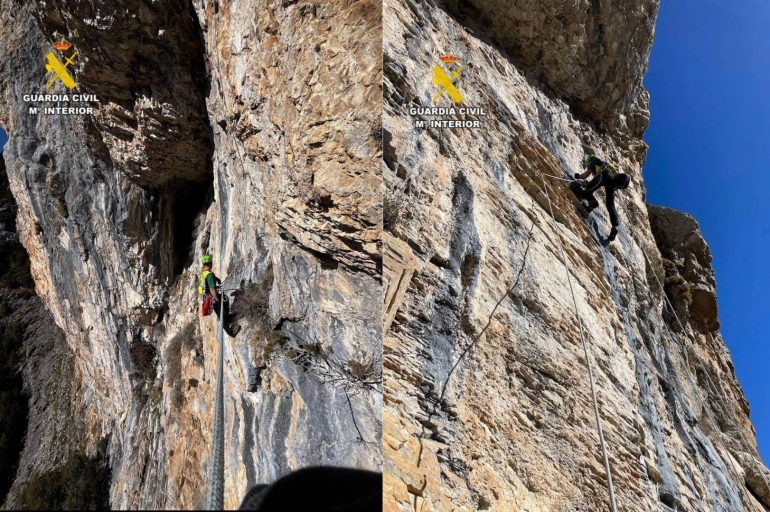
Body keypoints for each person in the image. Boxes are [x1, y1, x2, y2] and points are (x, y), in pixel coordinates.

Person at [570, 154, 631, 243]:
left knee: (586, 192)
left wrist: (578, 176)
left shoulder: (592, 162)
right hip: (612, 182)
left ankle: (592, 203)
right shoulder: (604, 163)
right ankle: (615, 226)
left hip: (603, 177)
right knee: (610, 204)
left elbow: (585, 175)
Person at [199, 255, 240, 337]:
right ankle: (231, 332)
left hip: (206, 298)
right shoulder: (209, 275)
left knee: (224, 303)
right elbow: (212, 289)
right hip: (211, 297)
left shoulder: (203, 273)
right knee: (220, 313)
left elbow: (205, 287)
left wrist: (215, 286)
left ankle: (229, 317)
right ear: (210, 264)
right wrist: (216, 299)